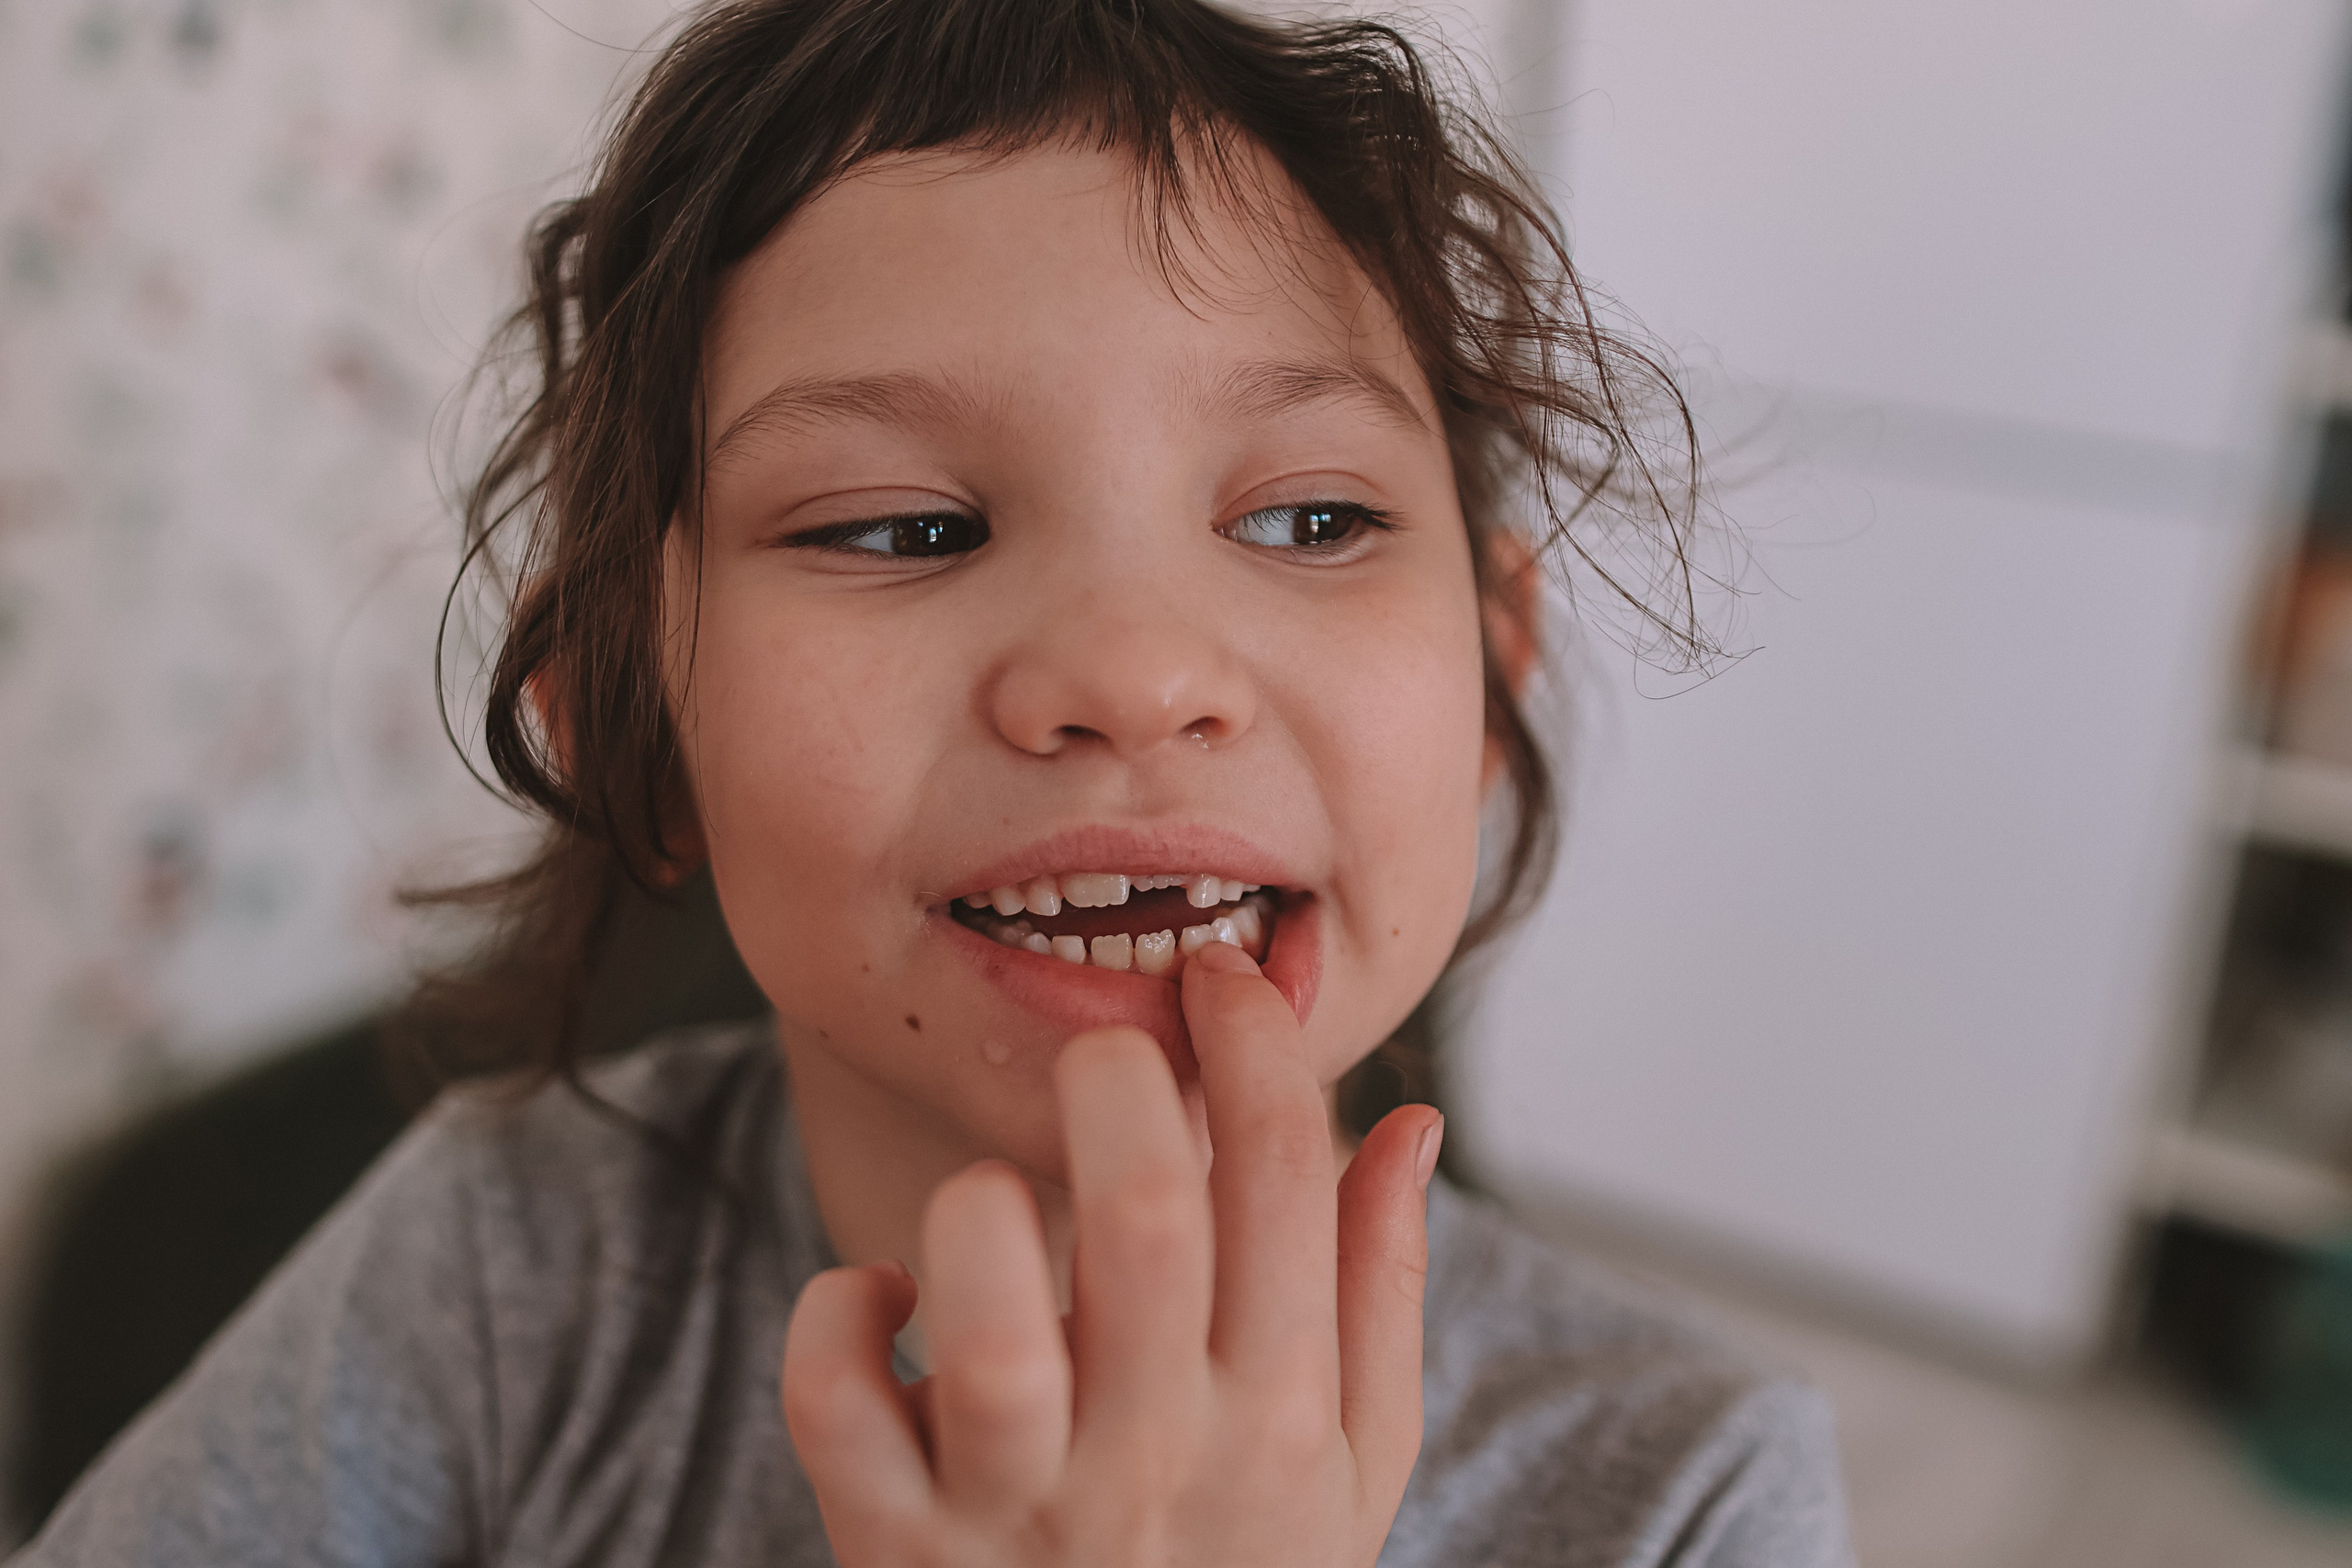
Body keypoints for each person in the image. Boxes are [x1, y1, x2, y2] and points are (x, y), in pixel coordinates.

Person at [11, 1, 1852, 1562]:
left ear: (1482, 676)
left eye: (1308, 515)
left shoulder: (1685, 1488)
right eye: (905, 525)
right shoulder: (492, 1275)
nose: (1136, 669)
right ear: (632, 726)